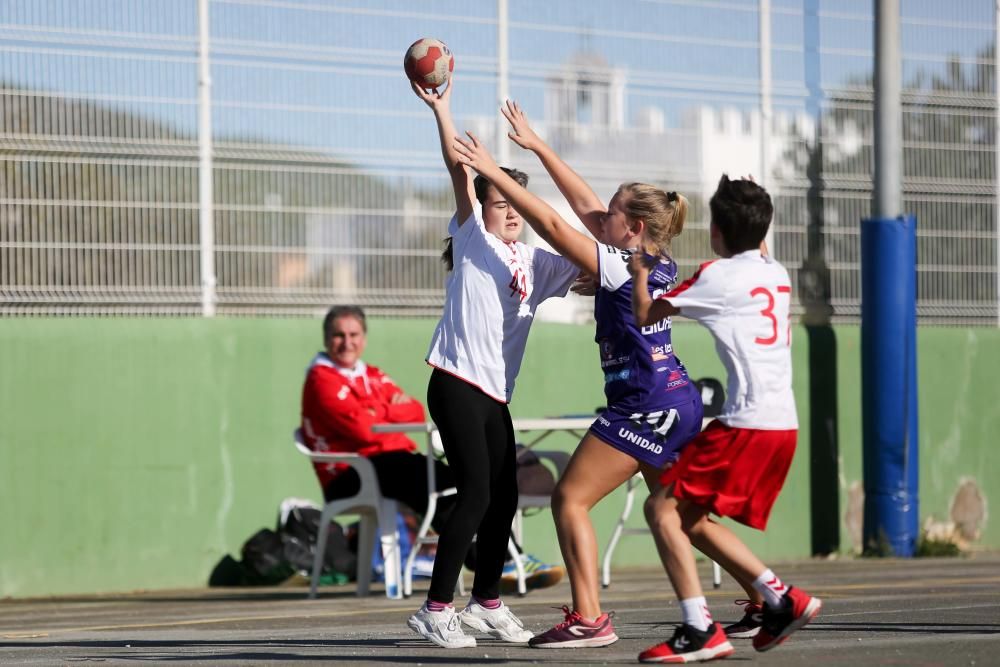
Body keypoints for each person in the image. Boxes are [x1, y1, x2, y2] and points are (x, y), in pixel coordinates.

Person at [453, 101, 703, 649]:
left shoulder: (617, 263)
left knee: (569, 500)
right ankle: (769, 594)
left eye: (611, 212)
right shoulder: (653, 259)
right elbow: (585, 206)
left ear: (632, 227)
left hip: (643, 401)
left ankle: (589, 618)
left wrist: (494, 173)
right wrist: (538, 145)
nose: (598, 215)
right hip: (678, 397)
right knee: (682, 513)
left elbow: (551, 222)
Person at [406, 76, 581, 649]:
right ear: (482, 210)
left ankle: (485, 602)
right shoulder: (473, 238)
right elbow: (460, 172)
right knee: (478, 493)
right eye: (500, 203)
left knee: (505, 496)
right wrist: (443, 109)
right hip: (455, 382)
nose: (509, 213)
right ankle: (436, 608)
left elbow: (587, 268)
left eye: (515, 205)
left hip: (494, 393)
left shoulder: (535, 260)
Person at [629, 175, 821, 663]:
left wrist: (639, 272)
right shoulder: (776, 272)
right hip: (784, 425)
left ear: (715, 231)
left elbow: (649, 315)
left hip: (747, 423)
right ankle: (779, 598)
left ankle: (700, 628)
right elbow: (751, 251)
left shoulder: (714, 275)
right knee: (688, 518)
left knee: (661, 511)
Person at [299, 305, 562, 590]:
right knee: (429, 479)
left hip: (388, 462)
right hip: (347, 474)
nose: (347, 342)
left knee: (458, 482)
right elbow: (364, 430)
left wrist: (376, 411)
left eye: (353, 334)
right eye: (339, 335)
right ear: (326, 339)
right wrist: (387, 409)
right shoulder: (320, 379)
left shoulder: (372, 374)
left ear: (363, 338)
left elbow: (413, 411)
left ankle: (508, 559)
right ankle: (497, 564)